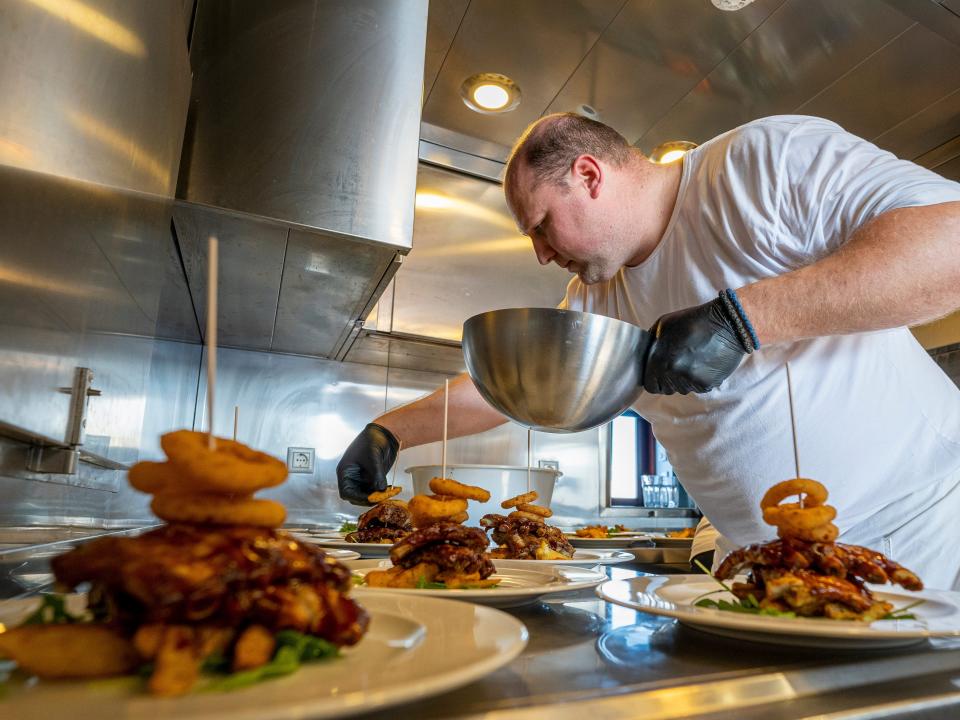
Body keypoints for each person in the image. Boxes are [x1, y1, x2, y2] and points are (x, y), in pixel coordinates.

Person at [337, 113, 960, 588]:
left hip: (920, 523)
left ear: (588, 175)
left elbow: (950, 241)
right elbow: (512, 388)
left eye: (542, 227)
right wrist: (389, 433)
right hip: (764, 565)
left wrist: (741, 320)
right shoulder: (595, 298)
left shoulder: (760, 162)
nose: (543, 255)